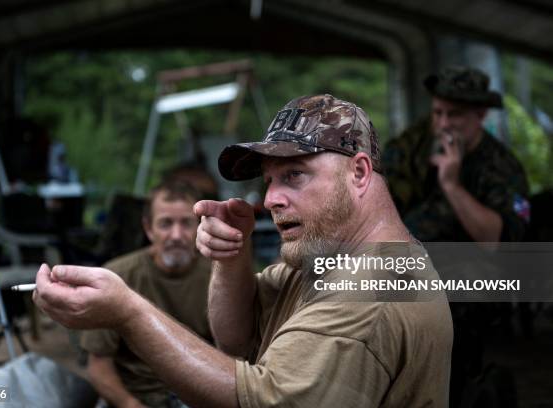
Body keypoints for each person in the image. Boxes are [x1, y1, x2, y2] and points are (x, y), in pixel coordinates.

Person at [34, 94, 453, 407]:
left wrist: (128, 312)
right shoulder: (331, 256)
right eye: (269, 180)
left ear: (359, 172)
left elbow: (256, 399)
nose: (271, 199)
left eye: (294, 174)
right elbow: (236, 337)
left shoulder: (371, 290)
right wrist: (232, 260)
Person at [80, 181, 212, 408]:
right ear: (148, 229)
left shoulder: (219, 277)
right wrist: (131, 405)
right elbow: (98, 366)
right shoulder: (116, 277)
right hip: (138, 398)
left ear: (200, 226)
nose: (176, 235)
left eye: (186, 223)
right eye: (165, 224)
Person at [383, 66, 530, 243]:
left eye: (455, 114)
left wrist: (451, 185)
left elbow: (498, 239)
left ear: (480, 114)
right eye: (438, 113)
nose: (443, 124)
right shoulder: (419, 140)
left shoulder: (503, 166)